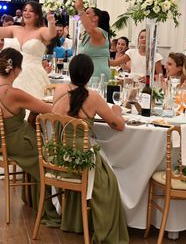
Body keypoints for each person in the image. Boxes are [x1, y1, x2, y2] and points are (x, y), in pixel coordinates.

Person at [51, 54, 128, 243]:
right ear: (90, 74)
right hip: (80, 158)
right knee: (110, 183)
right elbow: (119, 126)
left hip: (55, 155)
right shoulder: (93, 97)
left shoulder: (58, 89)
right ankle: (102, 228)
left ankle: (75, 221)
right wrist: (117, 110)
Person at [0, 48, 60, 226]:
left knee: (39, 141)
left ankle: (34, 199)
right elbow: (50, 110)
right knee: (49, 154)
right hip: (16, 142)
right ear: (16, 69)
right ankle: (49, 207)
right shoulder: (13, 93)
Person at [0, 0, 55, 98]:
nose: (26, 13)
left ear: (37, 15)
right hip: (14, 73)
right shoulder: (15, 29)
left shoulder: (41, 31)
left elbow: (51, 34)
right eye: (25, 10)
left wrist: (51, 22)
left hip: (34, 75)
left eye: (31, 11)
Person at [74, 0, 111, 80]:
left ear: (95, 18)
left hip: (98, 75)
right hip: (87, 74)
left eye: (87, 13)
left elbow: (90, 29)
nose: (84, 14)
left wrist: (80, 10)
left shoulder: (99, 32)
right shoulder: (87, 34)